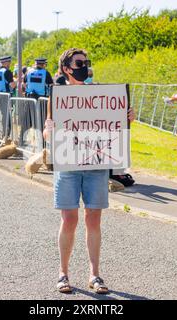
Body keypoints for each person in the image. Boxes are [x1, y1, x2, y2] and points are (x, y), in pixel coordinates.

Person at [43, 48, 135, 294]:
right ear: (66, 68)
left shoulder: (102, 94)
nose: (84, 66)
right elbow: (47, 132)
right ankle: (63, 273)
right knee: (69, 220)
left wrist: (127, 118)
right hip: (68, 166)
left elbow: (113, 125)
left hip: (96, 166)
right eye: (79, 63)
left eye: (86, 62)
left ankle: (95, 275)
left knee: (93, 219)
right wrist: (49, 130)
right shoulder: (58, 97)